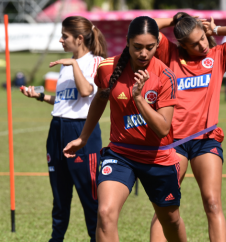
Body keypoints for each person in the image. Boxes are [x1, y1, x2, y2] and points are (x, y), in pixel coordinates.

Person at [63, 16, 187, 242]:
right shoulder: (107, 68)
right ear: (128, 42)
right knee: (105, 213)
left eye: (150, 48)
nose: (143, 53)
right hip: (120, 154)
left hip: (157, 158)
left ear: (158, 44)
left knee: (170, 219)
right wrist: (83, 137)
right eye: (137, 47)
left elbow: (162, 128)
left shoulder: (166, 76)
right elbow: (100, 99)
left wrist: (139, 99)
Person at [151, 13, 226, 242]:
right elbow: (149, 28)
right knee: (166, 207)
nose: (202, 45)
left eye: (203, 39)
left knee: (212, 202)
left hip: (205, 140)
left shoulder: (217, 56)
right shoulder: (171, 55)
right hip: (174, 143)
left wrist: (215, 30)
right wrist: (175, 19)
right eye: (194, 44)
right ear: (182, 45)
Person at [20, 16, 107, 242]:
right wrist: (39, 96)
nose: (61, 40)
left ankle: (96, 238)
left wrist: (75, 65)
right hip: (57, 128)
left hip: (81, 131)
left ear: (79, 38)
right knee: (59, 197)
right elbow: (64, 101)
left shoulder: (96, 62)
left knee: (90, 198)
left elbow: (87, 91)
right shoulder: (69, 63)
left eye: (65, 36)